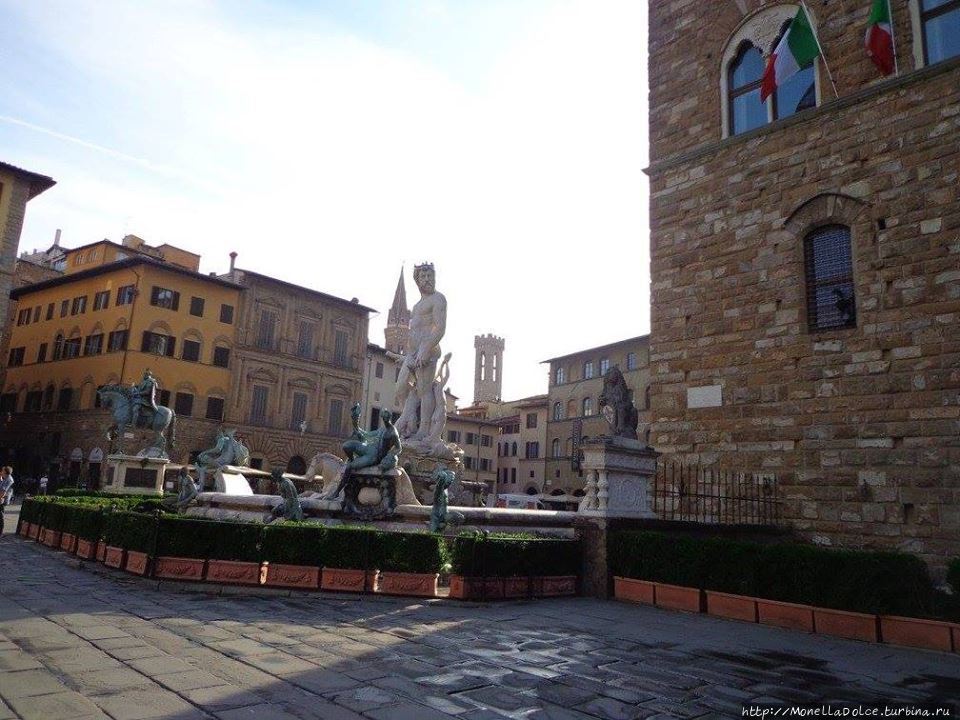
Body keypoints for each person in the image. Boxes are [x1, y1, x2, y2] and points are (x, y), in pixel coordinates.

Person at [0, 467, 14, 535]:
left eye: (2, 470)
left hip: (2, 499)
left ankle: (1, 532)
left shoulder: (9, 479)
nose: (1, 471)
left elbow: (3, 491)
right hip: (2, 498)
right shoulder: (6, 478)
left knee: (0, 515)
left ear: (5, 472)